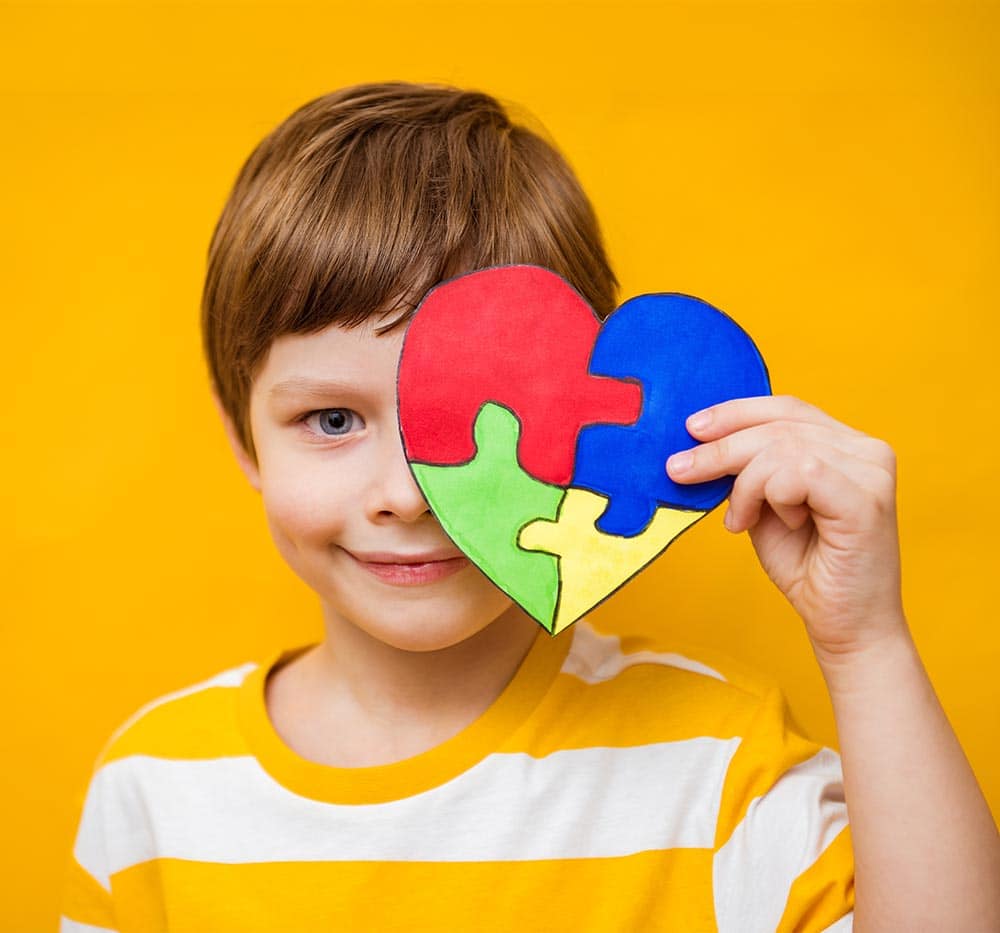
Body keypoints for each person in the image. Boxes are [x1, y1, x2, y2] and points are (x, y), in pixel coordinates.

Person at [60, 82, 999, 932]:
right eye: (333, 418)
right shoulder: (155, 787)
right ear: (242, 437)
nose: (405, 495)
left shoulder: (717, 762)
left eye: (460, 419)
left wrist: (864, 643)